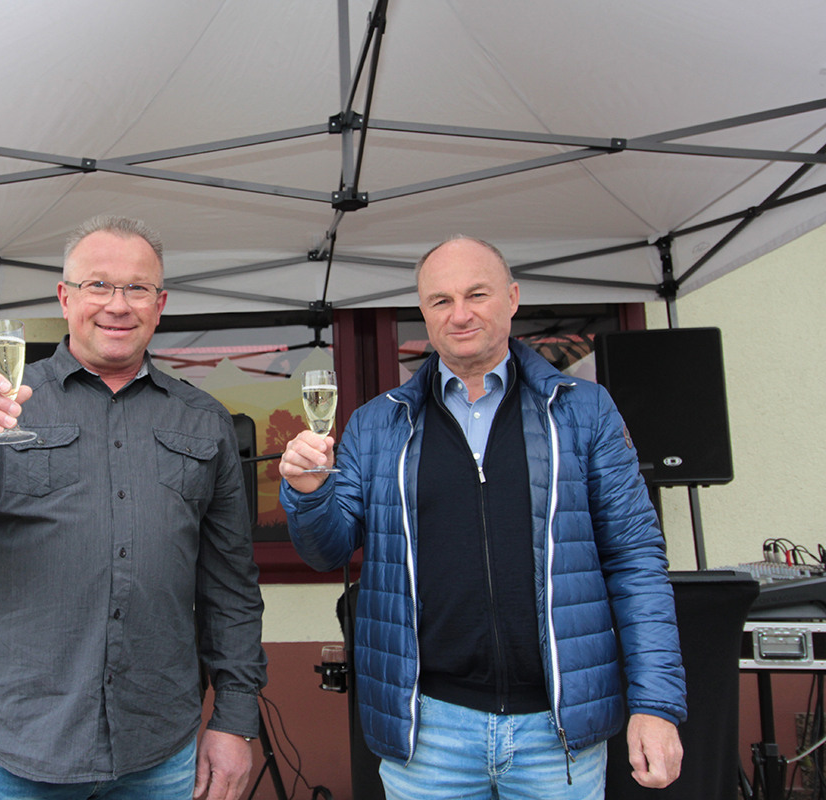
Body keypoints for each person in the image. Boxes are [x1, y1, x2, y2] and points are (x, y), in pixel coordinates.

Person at [0, 215, 267, 800]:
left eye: (137, 288)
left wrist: (234, 719)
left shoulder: (205, 421)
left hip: (158, 748)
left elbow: (230, 586)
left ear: (160, 305)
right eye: (97, 284)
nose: (118, 305)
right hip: (17, 746)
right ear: (65, 297)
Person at [279, 235, 685, 799]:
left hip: (557, 732)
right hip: (429, 732)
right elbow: (327, 550)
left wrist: (655, 704)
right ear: (424, 312)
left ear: (512, 298)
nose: (460, 314)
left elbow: (636, 561)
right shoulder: (377, 424)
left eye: (477, 294)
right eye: (441, 300)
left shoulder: (584, 410)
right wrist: (308, 493)